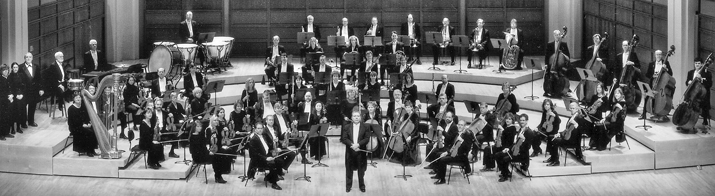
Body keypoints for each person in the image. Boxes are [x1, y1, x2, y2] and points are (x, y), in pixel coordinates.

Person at [432, 119, 475, 184]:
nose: (460, 126)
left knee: (442, 160)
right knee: (439, 154)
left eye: (462, 125)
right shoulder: (458, 134)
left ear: (464, 126)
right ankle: (439, 174)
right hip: (454, 153)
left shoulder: (467, 135)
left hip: (461, 157)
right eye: (459, 125)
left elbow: (467, 148)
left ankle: (442, 179)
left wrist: (462, 141)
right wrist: (446, 152)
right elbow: (453, 146)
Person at [247, 122, 286, 190]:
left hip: (266, 155)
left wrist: (276, 149)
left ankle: (269, 177)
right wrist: (266, 158)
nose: (260, 130)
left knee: (280, 161)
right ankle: (274, 183)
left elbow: (269, 146)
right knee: (273, 164)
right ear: (255, 129)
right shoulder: (253, 139)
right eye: (258, 128)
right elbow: (254, 154)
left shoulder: (264, 136)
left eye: (261, 128)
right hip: (258, 160)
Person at [495, 113, 532, 182]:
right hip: (514, 151)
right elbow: (515, 143)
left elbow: (528, 147)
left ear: (527, 121)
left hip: (521, 155)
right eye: (520, 120)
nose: (521, 122)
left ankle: (505, 175)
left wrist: (524, 140)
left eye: (523, 120)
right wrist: (508, 148)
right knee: (498, 155)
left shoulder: (529, 132)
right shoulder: (521, 130)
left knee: (505, 158)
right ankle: (506, 172)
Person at [341, 111, 369, 193]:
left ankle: (362, 186)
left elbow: (367, 138)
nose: (356, 117)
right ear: (352, 117)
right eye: (354, 116)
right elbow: (344, 138)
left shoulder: (365, 127)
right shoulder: (346, 126)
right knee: (349, 169)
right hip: (350, 151)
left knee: (361, 170)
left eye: (358, 116)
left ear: (360, 117)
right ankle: (348, 186)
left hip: (360, 151)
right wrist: (352, 145)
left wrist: (358, 145)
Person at [642, 50, 673, 121]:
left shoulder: (666, 62)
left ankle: (661, 112)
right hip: (653, 83)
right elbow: (647, 74)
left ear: (662, 55)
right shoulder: (651, 64)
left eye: (660, 54)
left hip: (662, 83)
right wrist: (652, 76)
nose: (658, 56)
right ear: (655, 55)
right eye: (657, 54)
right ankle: (644, 114)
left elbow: (671, 74)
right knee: (647, 96)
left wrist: (666, 69)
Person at [685, 57, 712, 128]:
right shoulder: (690, 72)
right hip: (692, 93)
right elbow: (686, 82)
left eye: (699, 63)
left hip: (701, 95)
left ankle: (705, 120)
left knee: (704, 104)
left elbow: (709, 84)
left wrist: (701, 79)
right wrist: (688, 82)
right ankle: (687, 119)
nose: (697, 65)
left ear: (702, 64)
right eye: (696, 63)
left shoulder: (707, 73)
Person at [543, 29, 571, 97]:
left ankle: (562, 89)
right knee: (547, 74)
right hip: (552, 64)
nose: (557, 36)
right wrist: (546, 64)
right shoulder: (550, 44)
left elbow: (568, 56)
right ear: (554, 35)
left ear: (560, 35)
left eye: (558, 35)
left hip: (561, 66)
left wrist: (562, 54)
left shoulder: (564, 44)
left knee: (564, 74)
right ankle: (548, 90)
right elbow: (547, 55)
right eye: (556, 35)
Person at [43, 51, 70, 116]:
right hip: (55, 85)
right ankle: (61, 104)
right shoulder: (53, 66)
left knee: (72, 88)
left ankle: (66, 100)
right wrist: (59, 85)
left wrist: (69, 79)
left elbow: (64, 74)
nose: (62, 57)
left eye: (62, 56)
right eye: (61, 56)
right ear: (56, 58)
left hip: (63, 82)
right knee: (61, 91)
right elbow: (52, 79)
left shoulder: (62, 64)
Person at [20, 53, 42, 128]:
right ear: (24, 58)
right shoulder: (20, 67)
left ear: (32, 58)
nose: (28, 58)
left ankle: (31, 121)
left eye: (30, 57)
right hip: (25, 91)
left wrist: (41, 89)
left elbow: (39, 79)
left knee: (32, 106)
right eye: (27, 57)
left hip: (34, 90)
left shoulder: (36, 66)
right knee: (23, 107)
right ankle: (23, 123)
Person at [9, 63, 27, 134]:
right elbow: (10, 88)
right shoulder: (10, 76)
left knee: (20, 112)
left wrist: (22, 94)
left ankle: (18, 128)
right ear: (12, 68)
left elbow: (24, 86)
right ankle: (13, 128)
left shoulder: (21, 75)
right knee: (14, 113)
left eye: (16, 67)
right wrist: (16, 95)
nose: (15, 69)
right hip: (14, 97)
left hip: (21, 96)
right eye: (14, 67)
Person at [0, 64, 13, 140]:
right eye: (4, 70)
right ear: (1, 71)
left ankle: (6, 132)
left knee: (8, 117)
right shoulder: (0, 79)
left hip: (8, 101)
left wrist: (11, 95)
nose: (6, 71)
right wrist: (8, 97)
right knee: (2, 118)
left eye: (7, 69)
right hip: (2, 102)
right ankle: (1, 134)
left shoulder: (8, 78)